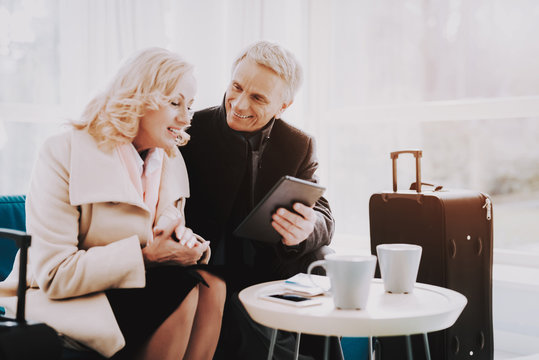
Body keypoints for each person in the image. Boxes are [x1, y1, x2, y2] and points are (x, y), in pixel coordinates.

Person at [0, 47, 225, 360]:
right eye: (175, 102)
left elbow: (166, 234)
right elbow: (55, 274)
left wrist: (185, 244)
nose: (186, 117)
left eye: (190, 105)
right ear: (138, 98)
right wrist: (147, 257)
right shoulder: (63, 151)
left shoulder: (170, 160)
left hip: (136, 288)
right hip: (71, 297)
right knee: (180, 286)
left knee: (214, 284)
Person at [180, 41, 340, 359]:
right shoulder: (189, 130)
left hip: (270, 269)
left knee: (323, 255)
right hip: (207, 265)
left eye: (257, 98)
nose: (238, 104)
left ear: (283, 106)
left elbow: (323, 214)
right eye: (236, 87)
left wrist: (307, 229)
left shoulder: (299, 144)